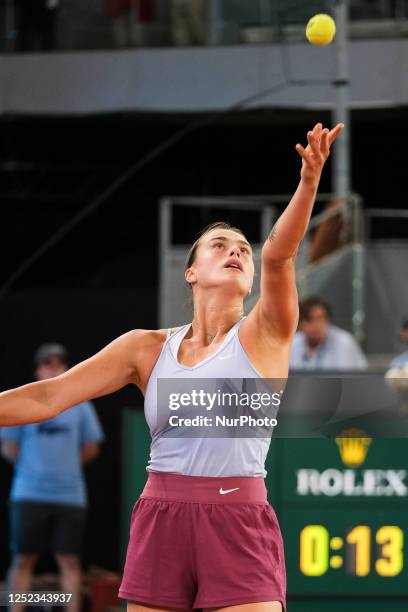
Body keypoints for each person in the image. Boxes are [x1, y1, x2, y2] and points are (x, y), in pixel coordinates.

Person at [0, 122, 344, 612]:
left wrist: (309, 181)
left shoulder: (263, 333)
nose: (236, 252)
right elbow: (47, 396)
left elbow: (280, 256)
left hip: (238, 517)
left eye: (242, 250)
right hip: (161, 517)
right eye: (221, 245)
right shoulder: (144, 348)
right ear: (192, 271)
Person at [0, 343, 104, 612]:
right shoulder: (22, 402)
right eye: (47, 364)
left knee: (69, 560)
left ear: (67, 368)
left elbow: (90, 448)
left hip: (70, 494)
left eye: (58, 364)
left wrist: (64, 467)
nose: (52, 369)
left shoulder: (81, 406)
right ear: (37, 370)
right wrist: (35, 468)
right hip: (28, 493)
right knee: (22, 559)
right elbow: (9, 446)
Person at [290, 297, 367, 370]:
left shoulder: (344, 342)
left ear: (328, 321)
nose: (315, 325)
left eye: (319, 319)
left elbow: (349, 380)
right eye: (309, 320)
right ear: (299, 323)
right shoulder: (292, 344)